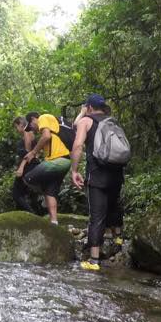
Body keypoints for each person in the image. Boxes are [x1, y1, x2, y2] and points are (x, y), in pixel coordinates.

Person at [70, 94, 125, 271]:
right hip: (116, 173)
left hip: (97, 174)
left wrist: (74, 170)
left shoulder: (86, 121)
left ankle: (94, 261)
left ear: (89, 107)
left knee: (97, 215)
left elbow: (78, 145)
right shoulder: (112, 121)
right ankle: (119, 238)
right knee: (114, 204)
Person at [20, 111, 72, 225]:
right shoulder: (52, 126)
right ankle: (54, 222)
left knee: (28, 178)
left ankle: (44, 194)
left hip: (57, 161)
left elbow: (46, 136)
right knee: (50, 192)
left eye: (31, 126)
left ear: (33, 119)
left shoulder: (43, 117)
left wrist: (33, 152)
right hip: (65, 162)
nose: (33, 129)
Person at [11, 117, 37, 213]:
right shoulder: (31, 133)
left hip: (27, 166)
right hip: (30, 164)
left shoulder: (27, 133)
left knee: (16, 193)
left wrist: (21, 167)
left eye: (16, 127)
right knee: (22, 192)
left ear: (21, 124)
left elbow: (28, 153)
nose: (16, 130)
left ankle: (32, 214)